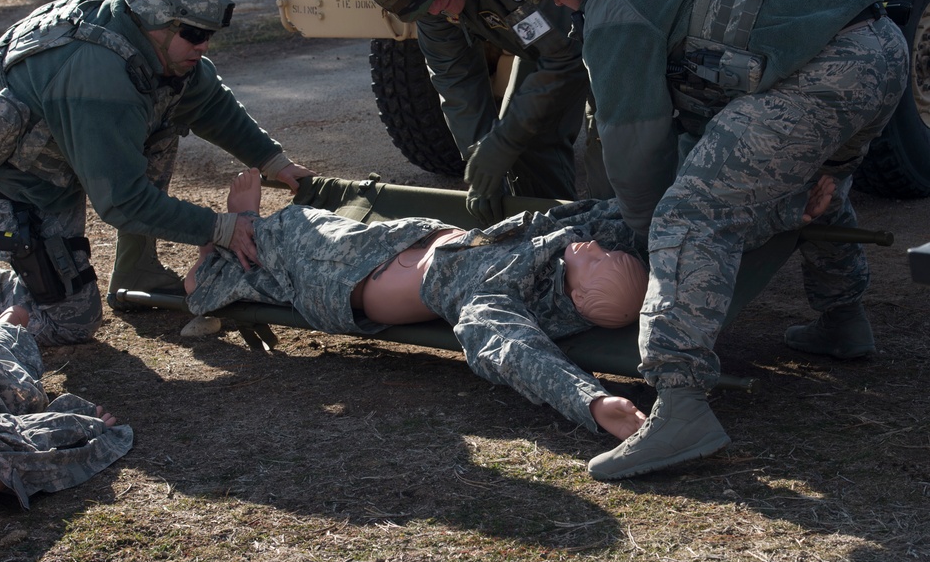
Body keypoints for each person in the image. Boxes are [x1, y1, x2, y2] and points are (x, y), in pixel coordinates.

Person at [503, 0, 909, 479]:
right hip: (881, 45)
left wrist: (650, 246)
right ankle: (843, 319)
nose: (561, 4)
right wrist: (835, 163)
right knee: (802, 179)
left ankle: (680, 404)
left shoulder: (616, 0)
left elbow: (636, 154)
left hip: (822, 72)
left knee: (686, 216)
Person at [0, 0, 314, 346]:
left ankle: (137, 268)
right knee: (71, 322)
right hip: (11, 182)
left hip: (64, 158)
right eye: (194, 34)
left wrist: (274, 162)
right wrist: (221, 229)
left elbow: (210, 103)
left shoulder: (154, 49)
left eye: (209, 35)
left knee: (163, 120)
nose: (203, 46)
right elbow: (122, 202)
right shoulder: (100, 82)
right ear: (156, 22)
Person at [187, 169, 651, 440]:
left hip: (341, 275)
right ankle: (221, 257)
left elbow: (518, 354)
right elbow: (608, 216)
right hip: (401, 238)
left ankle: (236, 228)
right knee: (263, 267)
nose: (598, 248)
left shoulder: (496, 298)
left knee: (289, 226)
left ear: (580, 296)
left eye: (602, 260)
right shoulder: (570, 249)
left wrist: (592, 402)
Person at [355, 0, 609, 226]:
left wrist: (502, 141)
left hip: (599, 22)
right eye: (419, 8)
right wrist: (482, 158)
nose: (434, 9)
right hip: (544, 37)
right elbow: (455, 78)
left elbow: (568, 54)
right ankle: (557, 237)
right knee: (523, 148)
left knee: (611, 146)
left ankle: (629, 254)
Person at [0, 306, 133, 511]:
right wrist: (74, 428)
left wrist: (75, 427)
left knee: (9, 330)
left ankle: (9, 311)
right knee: (1, 340)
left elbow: (5, 441)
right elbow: (6, 448)